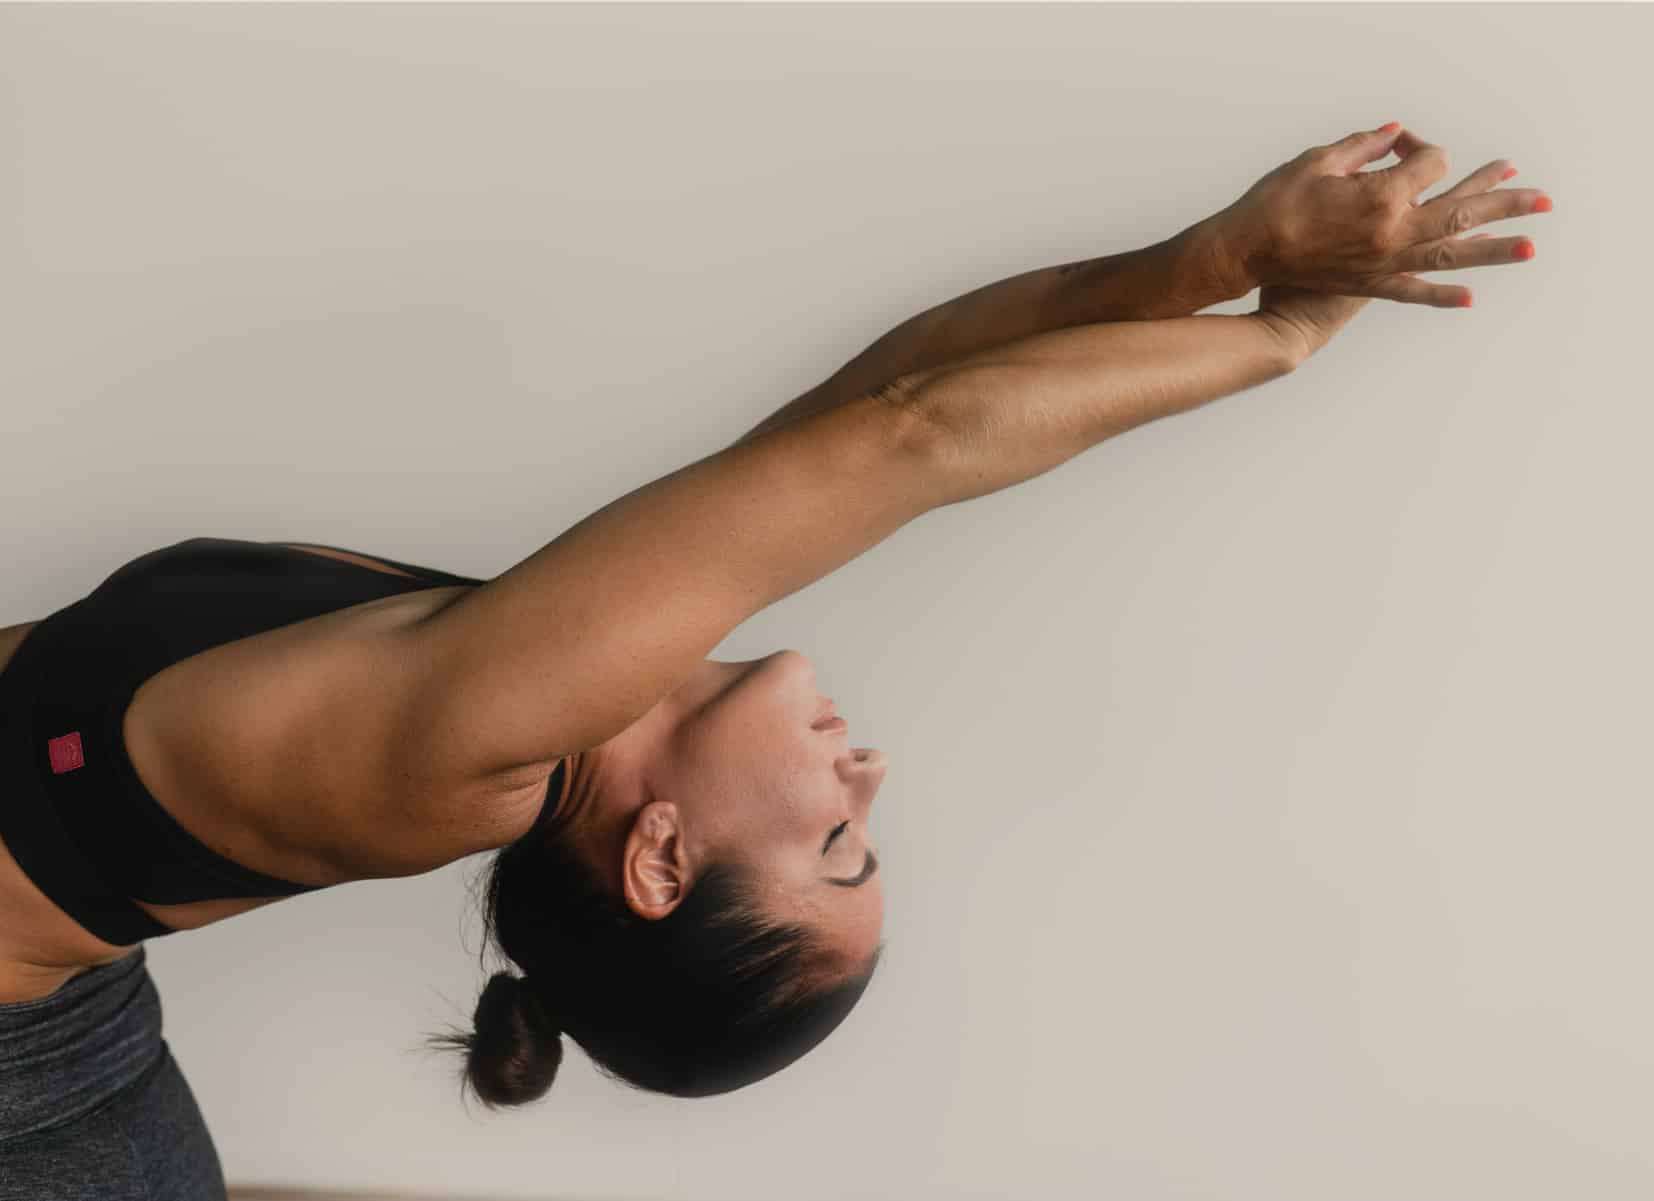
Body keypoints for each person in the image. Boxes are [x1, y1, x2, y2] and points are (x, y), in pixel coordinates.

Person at [0, 124, 1549, 1193]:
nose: (868, 767)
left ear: (661, 858)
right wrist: (1217, 252)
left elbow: (918, 441)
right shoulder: (564, 665)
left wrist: (1287, 340)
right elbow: (906, 384)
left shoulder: (469, 750)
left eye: (837, 836)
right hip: (75, 1027)